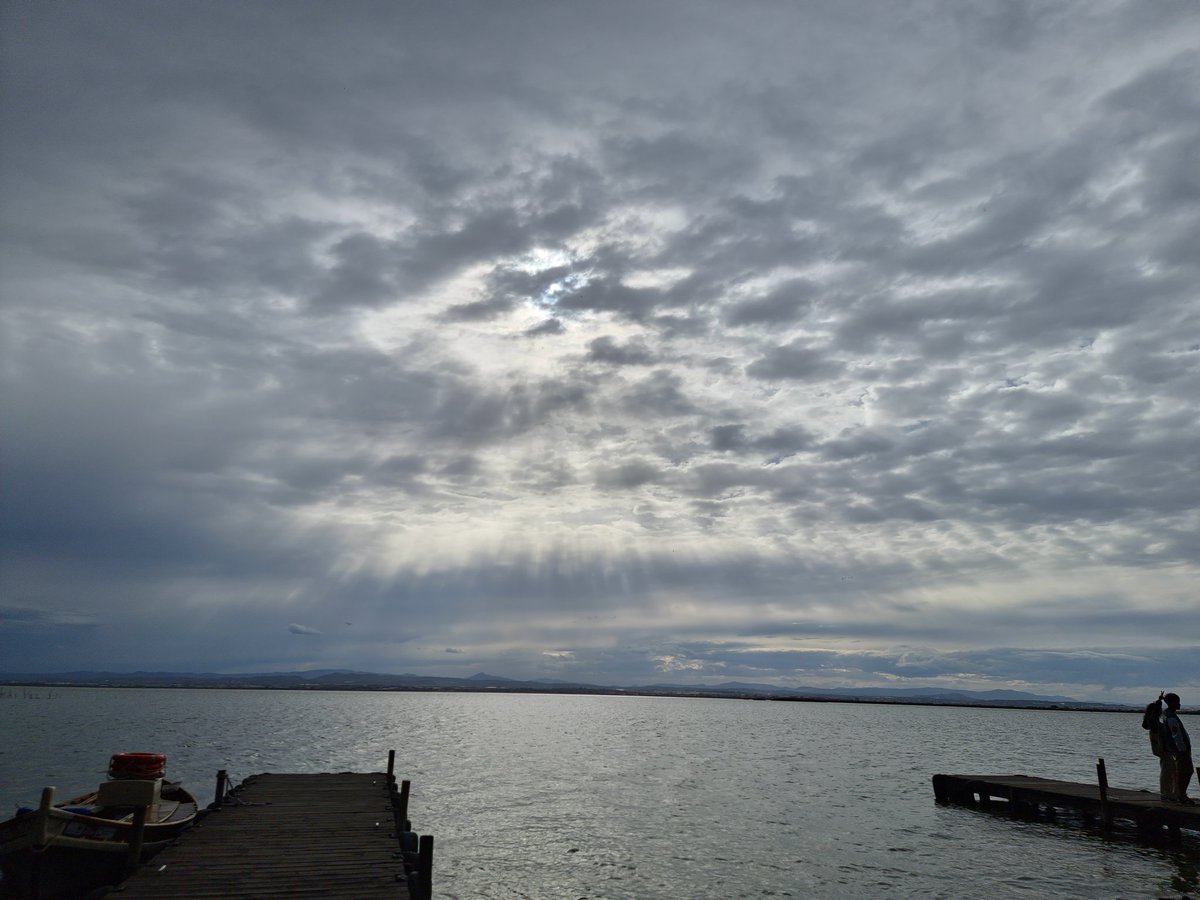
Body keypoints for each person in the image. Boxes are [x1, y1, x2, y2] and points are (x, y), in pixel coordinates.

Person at [1159, 692, 1194, 804]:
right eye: (1177, 701)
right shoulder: (1170, 716)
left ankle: (1179, 794)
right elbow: (1176, 734)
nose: (1179, 704)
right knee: (1186, 771)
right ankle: (1181, 795)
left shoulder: (1168, 714)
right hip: (1181, 750)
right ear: (1173, 703)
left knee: (1184, 771)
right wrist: (1182, 750)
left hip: (1179, 749)